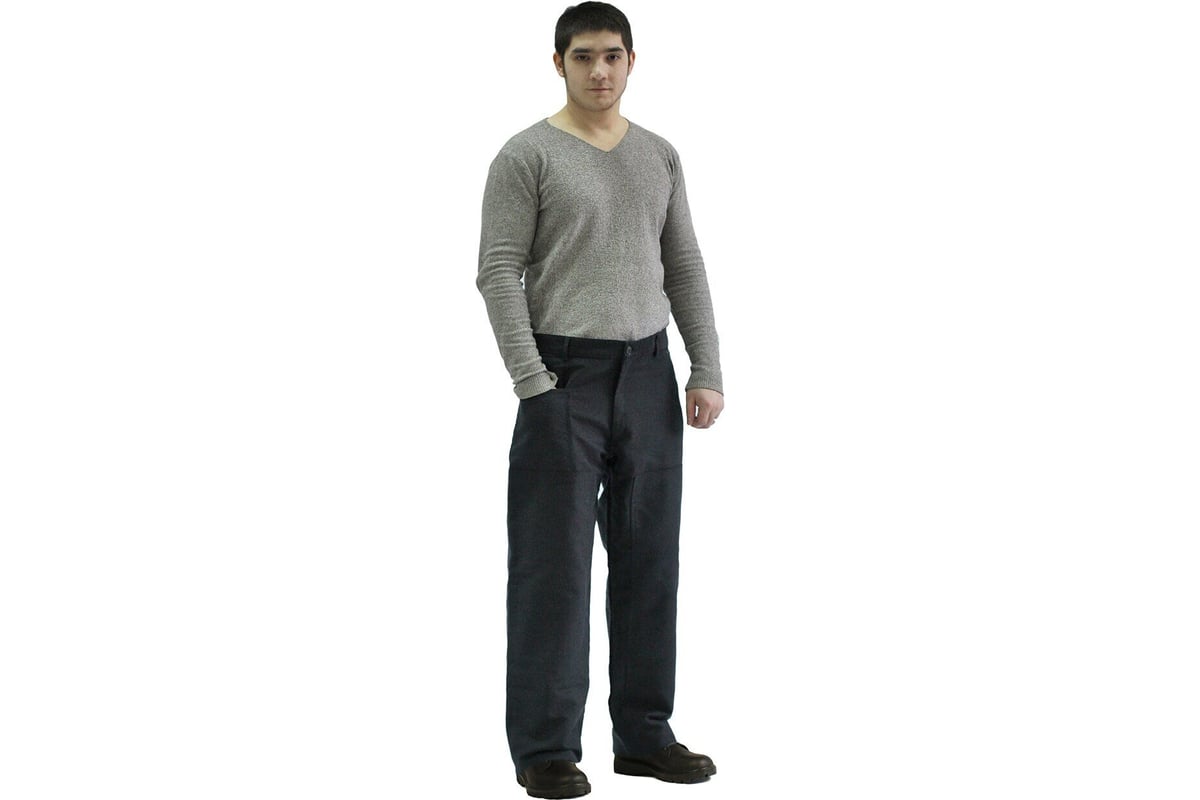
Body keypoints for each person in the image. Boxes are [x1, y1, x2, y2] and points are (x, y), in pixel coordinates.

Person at [476, 3, 724, 796]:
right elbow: (498, 270)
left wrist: (705, 367)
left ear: (632, 61)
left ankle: (645, 735)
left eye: (612, 55)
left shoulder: (659, 155)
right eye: (583, 57)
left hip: (649, 375)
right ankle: (547, 749)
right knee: (553, 570)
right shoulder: (527, 156)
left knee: (650, 562)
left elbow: (683, 264)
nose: (599, 70)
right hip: (562, 378)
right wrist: (532, 380)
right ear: (559, 64)